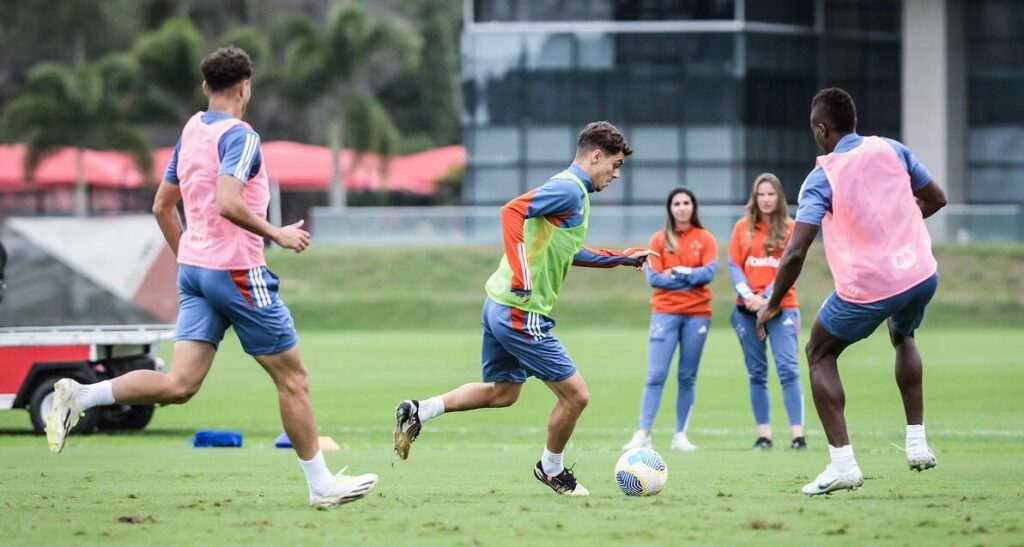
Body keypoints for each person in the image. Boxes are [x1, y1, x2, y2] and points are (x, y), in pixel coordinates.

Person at [44, 46, 378, 509]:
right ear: (245, 87)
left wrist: (190, 258)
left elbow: (162, 205)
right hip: (238, 272)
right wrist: (275, 233)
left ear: (206, 88)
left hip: (196, 273)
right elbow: (228, 201)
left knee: (180, 384)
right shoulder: (241, 137)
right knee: (294, 379)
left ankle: (81, 395)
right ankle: (321, 485)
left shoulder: (192, 129)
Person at [393, 121, 655, 496]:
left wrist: (621, 259)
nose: (616, 174)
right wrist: (521, 273)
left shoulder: (574, 194)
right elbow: (511, 212)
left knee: (504, 393)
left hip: (498, 304)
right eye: (614, 164)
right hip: (521, 309)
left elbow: (568, 252)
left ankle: (420, 410)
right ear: (595, 156)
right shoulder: (568, 188)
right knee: (576, 396)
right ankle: (551, 469)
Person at [756, 87, 947, 496]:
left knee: (819, 352)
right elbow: (936, 198)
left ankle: (843, 464)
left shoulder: (822, 175)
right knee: (904, 335)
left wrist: (772, 303)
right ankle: (916, 444)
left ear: (823, 130)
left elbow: (795, 250)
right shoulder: (892, 149)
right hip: (920, 274)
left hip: (871, 286)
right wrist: (898, 233)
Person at [622, 187, 718, 453]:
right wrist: (688, 278)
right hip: (664, 313)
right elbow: (654, 278)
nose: (682, 207)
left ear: (693, 206)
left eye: (687, 202)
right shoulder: (658, 239)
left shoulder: (705, 238)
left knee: (687, 376)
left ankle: (680, 435)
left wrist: (679, 273)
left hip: (698, 315)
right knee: (655, 375)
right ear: (670, 208)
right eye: (677, 203)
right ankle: (643, 433)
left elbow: (708, 273)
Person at [727, 173, 806, 450]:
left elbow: (790, 267)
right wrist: (749, 296)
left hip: (782, 309)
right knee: (757, 373)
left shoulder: (790, 227)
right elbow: (734, 264)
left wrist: (767, 298)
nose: (766, 199)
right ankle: (765, 436)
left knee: (788, 370)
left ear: (779, 197)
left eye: (771, 194)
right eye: (761, 194)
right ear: (755, 197)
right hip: (746, 311)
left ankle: (797, 436)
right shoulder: (741, 228)